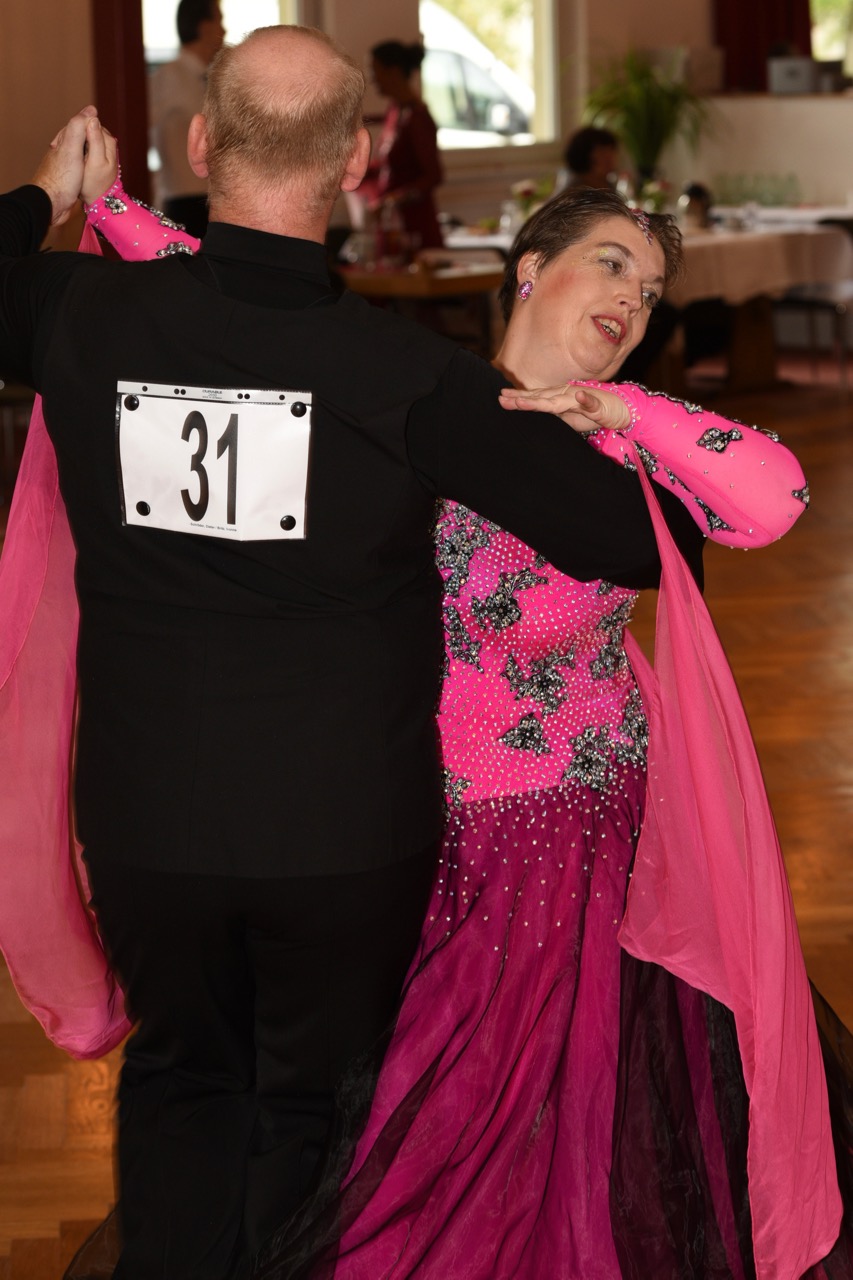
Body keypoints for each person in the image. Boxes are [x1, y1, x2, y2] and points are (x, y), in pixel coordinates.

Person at [0, 25, 736, 1280]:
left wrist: (51, 193)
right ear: (353, 163)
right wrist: (619, 412)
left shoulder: (88, 315)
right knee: (313, 1117)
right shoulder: (405, 375)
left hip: (147, 817)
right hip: (345, 831)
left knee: (182, 1081)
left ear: (200, 144)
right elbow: (641, 540)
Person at [149, 0, 226, 238]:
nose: (224, 31)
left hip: (220, 202)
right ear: (205, 27)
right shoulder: (166, 79)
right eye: (220, 21)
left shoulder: (219, 80)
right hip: (183, 204)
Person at [359, 40, 444, 250]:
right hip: (394, 225)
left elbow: (433, 176)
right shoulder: (395, 111)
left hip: (414, 226)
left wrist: (392, 200)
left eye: (375, 71)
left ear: (393, 72)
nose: (372, 79)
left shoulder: (418, 118)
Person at [562, 124, 620, 190]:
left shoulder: (611, 186)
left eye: (611, 150)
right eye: (602, 152)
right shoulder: (574, 192)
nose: (610, 158)